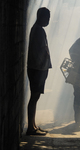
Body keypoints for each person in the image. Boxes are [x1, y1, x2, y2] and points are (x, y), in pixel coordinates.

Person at [26, 7, 52, 135]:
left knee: (35, 97)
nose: (48, 21)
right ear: (41, 17)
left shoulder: (37, 30)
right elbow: (42, 50)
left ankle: (33, 125)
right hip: (37, 69)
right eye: (47, 18)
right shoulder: (38, 31)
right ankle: (31, 128)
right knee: (34, 97)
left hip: (38, 68)